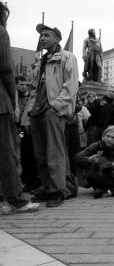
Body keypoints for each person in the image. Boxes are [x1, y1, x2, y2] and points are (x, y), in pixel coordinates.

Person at [23, 23, 79, 207]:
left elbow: (71, 85)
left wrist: (56, 107)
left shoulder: (67, 57)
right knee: (40, 153)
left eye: (47, 35)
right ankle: (47, 187)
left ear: (57, 39)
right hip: (37, 111)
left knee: (55, 152)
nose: (43, 38)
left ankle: (57, 190)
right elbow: (33, 88)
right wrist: (27, 114)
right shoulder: (41, 61)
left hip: (52, 110)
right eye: (42, 35)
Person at [0, 1, 40, 214]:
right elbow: (6, 68)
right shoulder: (0, 32)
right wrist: (12, 97)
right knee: (6, 153)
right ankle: (15, 200)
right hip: (1, 102)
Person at [74, 125, 114, 199]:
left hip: (112, 178)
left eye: (113, 137)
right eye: (107, 136)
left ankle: (106, 190)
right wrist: (89, 159)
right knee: (90, 176)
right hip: (95, 176)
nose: (109, 139)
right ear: (103, 136)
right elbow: (77, 157)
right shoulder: (98, 145)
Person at [15, 76, 40, 192]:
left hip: (28, 130)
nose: (24, 87)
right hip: (17, 130)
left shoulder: (28, 97)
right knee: (22, 157)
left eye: (25, 84)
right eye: (21, 84)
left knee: (29, 157)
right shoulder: (14, 97)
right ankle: (26, 181)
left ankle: (31, 181)